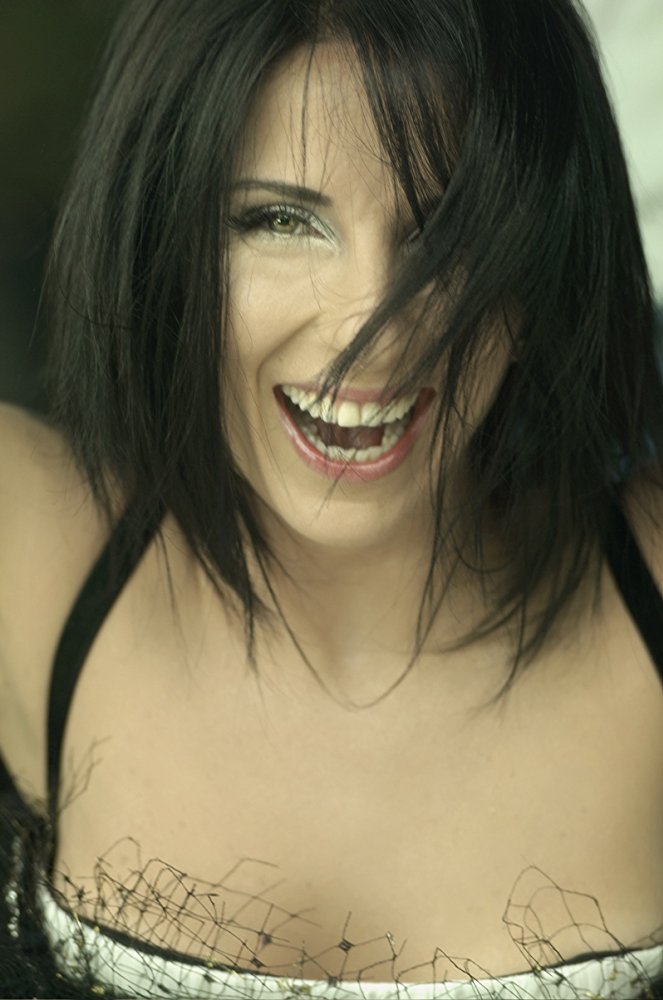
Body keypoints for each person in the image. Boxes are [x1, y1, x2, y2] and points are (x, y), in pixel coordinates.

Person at [0, 0, 662, 997]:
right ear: (164, 234)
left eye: (447, 232)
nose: (370, 329)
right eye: (281, 220)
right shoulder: (33, 553)